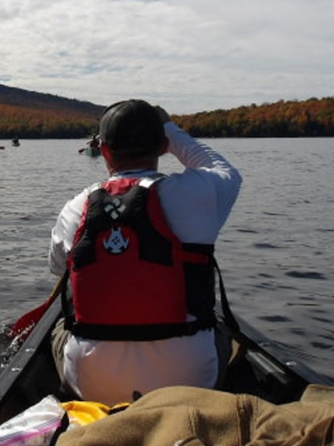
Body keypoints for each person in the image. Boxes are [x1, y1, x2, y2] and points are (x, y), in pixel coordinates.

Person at [48, 99, 242, 406]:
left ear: (105, 151)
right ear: (164, 147)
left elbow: (59, 269)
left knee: (58, 324)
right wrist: (171, 128)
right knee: (224, 331)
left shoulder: (74, 208)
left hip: (92, 385)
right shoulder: (199, 193)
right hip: (189, 384)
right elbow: (224, 170)